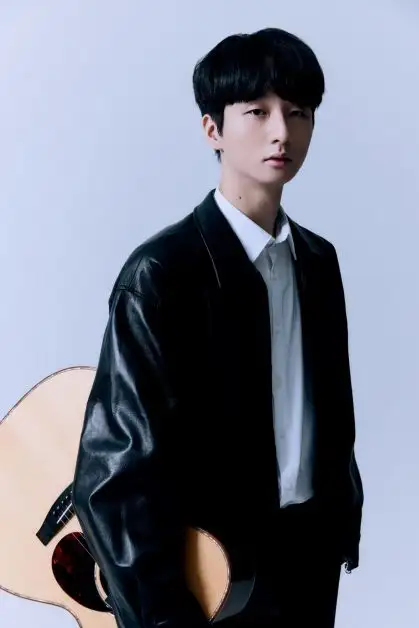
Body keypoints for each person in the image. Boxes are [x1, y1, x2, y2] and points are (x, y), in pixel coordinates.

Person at [72, 27, 363, 628]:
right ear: (213, 129)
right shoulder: (161, 273)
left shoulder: (318, 261)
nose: (282, 132)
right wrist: (161, 615)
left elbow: (329, 412)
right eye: (257, 112)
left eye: (298, 112)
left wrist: (340, 522)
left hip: (308, 559)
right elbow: (113, 475)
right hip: (208, 574)